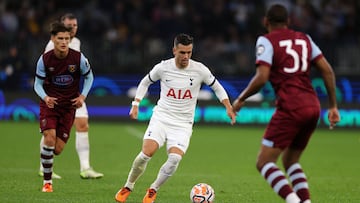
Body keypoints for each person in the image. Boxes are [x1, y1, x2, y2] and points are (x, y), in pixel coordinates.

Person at [232, 4, 340, 203]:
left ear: (266, 22)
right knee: (290, 161)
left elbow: (262, 76)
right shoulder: (305, 39)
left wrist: (241, 99)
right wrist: (333, 106)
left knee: (264, 162)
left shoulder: (266, 40)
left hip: (291, 106)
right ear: (288, 22)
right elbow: (327, 70)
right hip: (313, 107)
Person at [114, 33, 236, 203]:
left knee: (175, 158)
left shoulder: (200, 69)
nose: (186, 56)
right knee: (146, 153)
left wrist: (228, 106)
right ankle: (128, 185)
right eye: (182, 52)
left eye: (189, 52)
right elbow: (145, 82)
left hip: (183, 124)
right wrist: (136, 104)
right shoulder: (163, 68)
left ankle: (153, 189)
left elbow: (217, 87)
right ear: (174, 50)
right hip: (162, 117)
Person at [38, 13, 103, 179]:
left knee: (82, 125)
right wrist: (47, 97)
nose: (73, 28)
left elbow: (83, 71)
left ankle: (85, 168)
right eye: (69, 25)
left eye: (75, 25)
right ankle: (44, 166)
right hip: (54, 96)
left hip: (73, 96)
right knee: (49, 133)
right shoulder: (51, 47)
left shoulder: (76, 42)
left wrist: (82, 95)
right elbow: (46, 74)